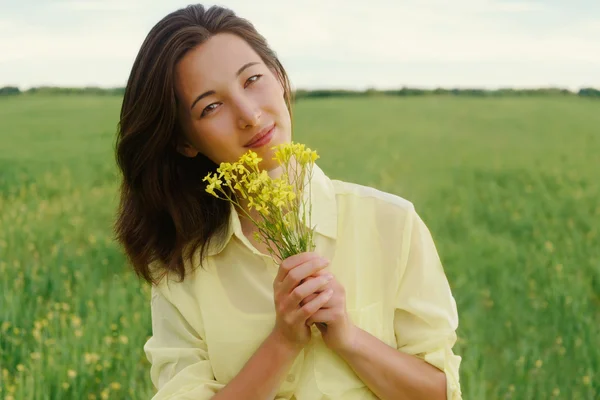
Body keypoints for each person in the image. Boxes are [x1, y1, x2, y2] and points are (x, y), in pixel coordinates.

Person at [114, 4, 462, 400]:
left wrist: (348, 337)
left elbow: (439, 392)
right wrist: (282, 342)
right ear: (184, 141)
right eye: (211, 107)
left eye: (252, 80)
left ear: (280, 78)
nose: (249, 115)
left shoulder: (391, 222)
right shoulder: (181, 267)